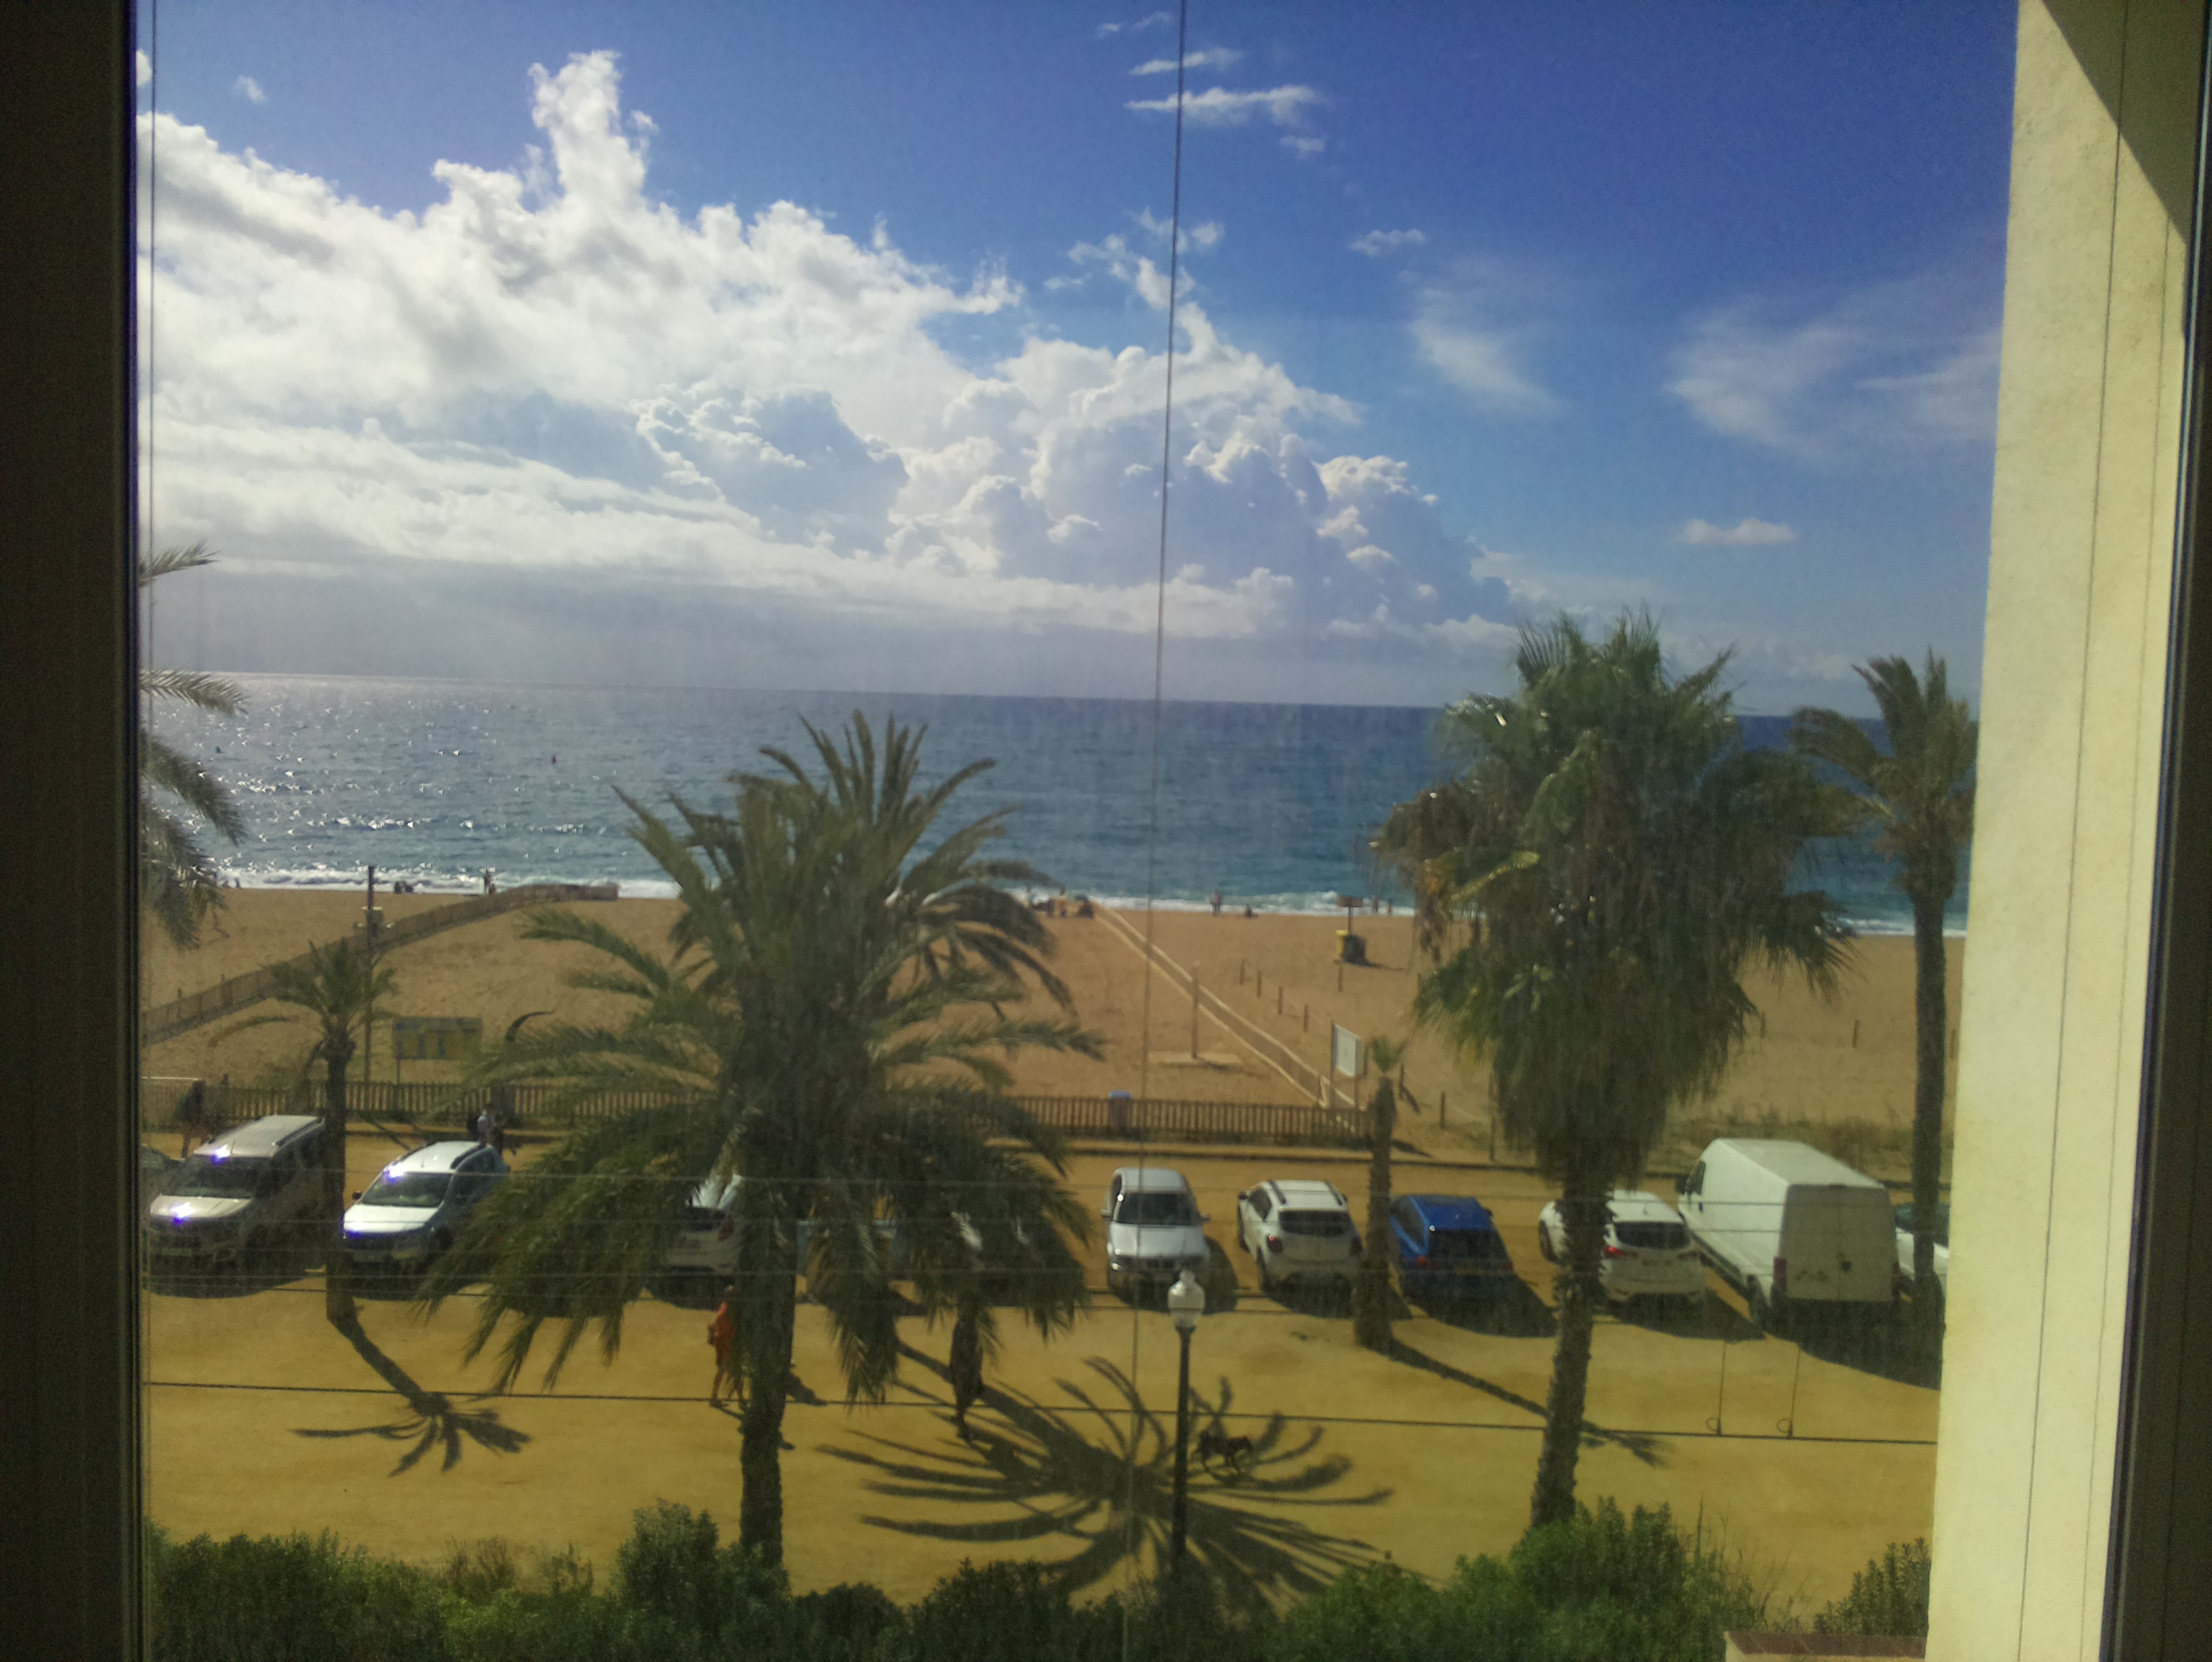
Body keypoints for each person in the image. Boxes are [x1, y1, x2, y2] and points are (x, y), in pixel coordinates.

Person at [948, 1305, 984, 1437]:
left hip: (964, 1368)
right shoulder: (966, 1328)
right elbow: (965, 1349)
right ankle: (961, 1424)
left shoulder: (962, 1326)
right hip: (965, 1369)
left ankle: (959, 1416)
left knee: (966, 1395)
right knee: (966, 1396)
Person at [708, 1284, 740, 1406]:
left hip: (727, 1346)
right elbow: (721, 1334)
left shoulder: (727, 1309)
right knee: (723, 1370)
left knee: (733, 1371)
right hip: (725, 1346)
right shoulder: (725, 1313)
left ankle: (741, 1398)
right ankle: (713, 1397)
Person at [175, 1080, 208, 1157]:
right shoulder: (195, 1097)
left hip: (188, 1119)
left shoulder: (191, 1095)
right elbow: (193, 1110)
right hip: (189, 1119)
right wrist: (195, 1122)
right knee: (201, 1137)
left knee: (188, 1138)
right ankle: (200, 1153)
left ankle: (186, 1154)